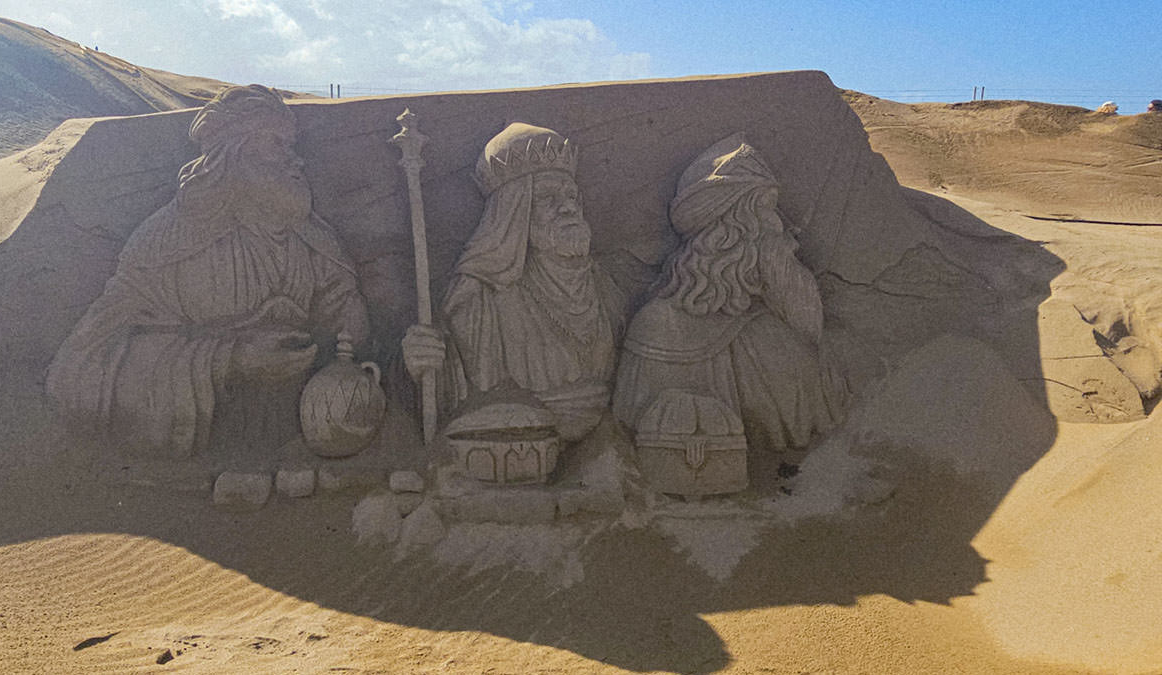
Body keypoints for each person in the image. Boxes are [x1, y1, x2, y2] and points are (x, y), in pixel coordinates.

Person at [46, 85, 369, 458]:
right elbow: (81, 369)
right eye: (276, 144)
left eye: (292, 146)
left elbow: (352, 336)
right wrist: (228, 360)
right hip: (194, 465)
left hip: (306, 449)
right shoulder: (165, 243)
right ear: (231, 155)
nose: (296, 161)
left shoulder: (316, 243)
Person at [612, 134, 846, 484]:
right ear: (731, 233)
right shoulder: (656, 328)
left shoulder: (775, 334)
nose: (786, 227)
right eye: (768, 210)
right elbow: (626, 429)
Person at [402, 123, 623, 440]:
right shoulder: (479, 300)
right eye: (547, 197)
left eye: (572, 195)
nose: (569, 207)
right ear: (513, 213)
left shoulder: (605, 287)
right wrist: (421, 364)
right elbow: (449, 394)